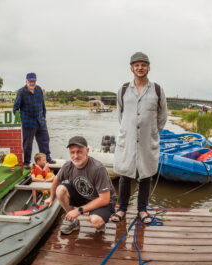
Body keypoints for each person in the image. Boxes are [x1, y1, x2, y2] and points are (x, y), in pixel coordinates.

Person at [111, 52, 168, 225]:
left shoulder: (157, 89)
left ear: (148, 67)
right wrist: (129, 130)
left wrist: (151, 131)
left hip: (147, 139)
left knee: (146, 174)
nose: (140, 68)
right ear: (131, 68)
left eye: (143, 65)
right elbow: (120, 115)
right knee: (125, 174)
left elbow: (163, 115)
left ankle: (142, 209)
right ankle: (121, 208)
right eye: (137, 65)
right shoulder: (123, 90)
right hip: (127, 139)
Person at [44, 136, 116, 234]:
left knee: (96, 221)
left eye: (79, 151)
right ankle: (74, 221)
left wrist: (79, 210)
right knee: (60, 190)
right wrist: (51, 198)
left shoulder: (98, 168)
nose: (76, 155)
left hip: (102, 200)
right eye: (72, 152)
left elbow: (104, 199)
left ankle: (100, 219)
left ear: (87, 151)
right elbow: (56, 180)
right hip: (83, 196)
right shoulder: (67, 166)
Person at [13, 72, 54, 168]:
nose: (32, 83)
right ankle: (27, 162)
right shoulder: (21, 92)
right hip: (28, 123)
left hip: (41, 121)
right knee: (27, 144)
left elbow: (42, 104)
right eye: (30, 81)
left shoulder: (39, 89)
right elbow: (15, 109)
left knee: (45, 140)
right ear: (26, 81)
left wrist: (44, 116)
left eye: (34, 81)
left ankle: (47, 158)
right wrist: (22, 119)